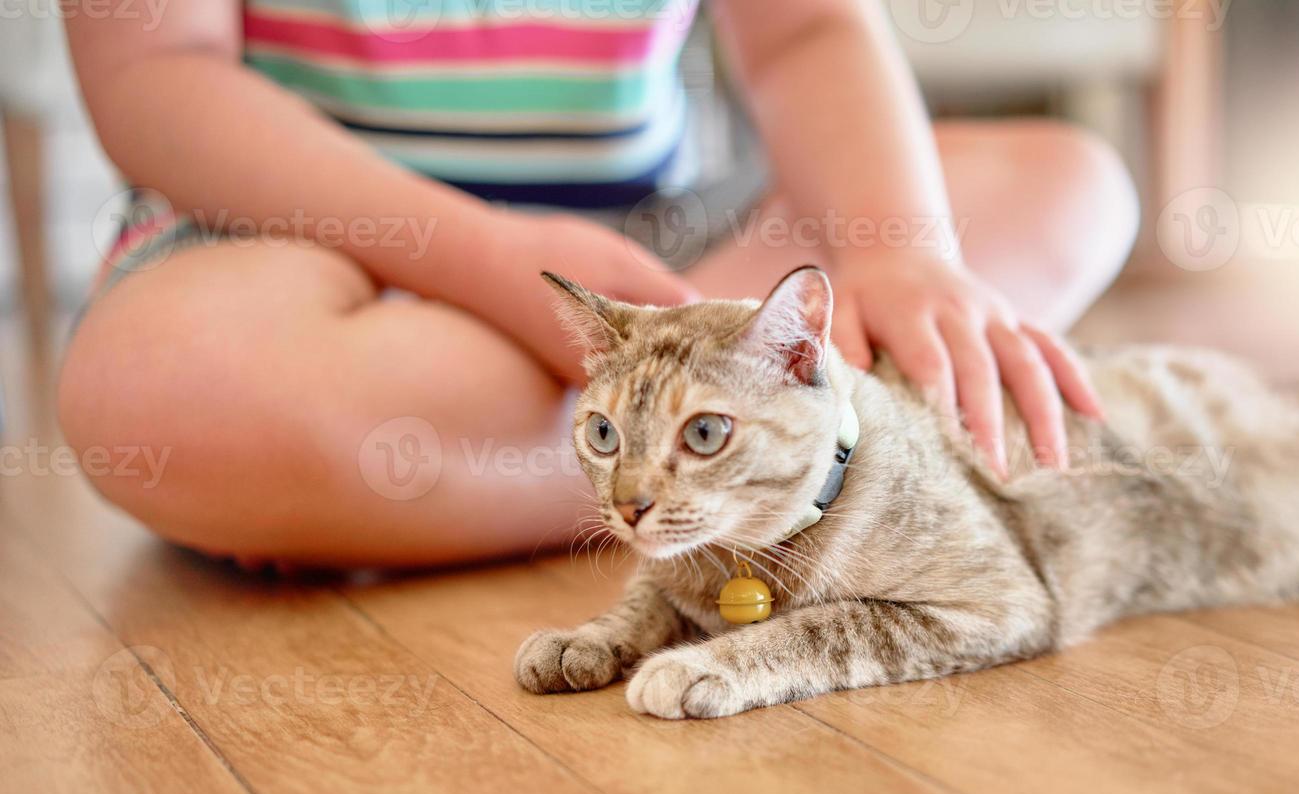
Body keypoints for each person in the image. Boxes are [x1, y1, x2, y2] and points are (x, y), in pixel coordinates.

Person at [59, 0, 1139, 569]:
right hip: (306, 252)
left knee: (1068, 189)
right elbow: (156, 76)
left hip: (650, 251)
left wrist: (901, 248)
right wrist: (483, 257)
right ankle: (738, 457)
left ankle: (418, 482)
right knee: (154, 388)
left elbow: (809, 31)